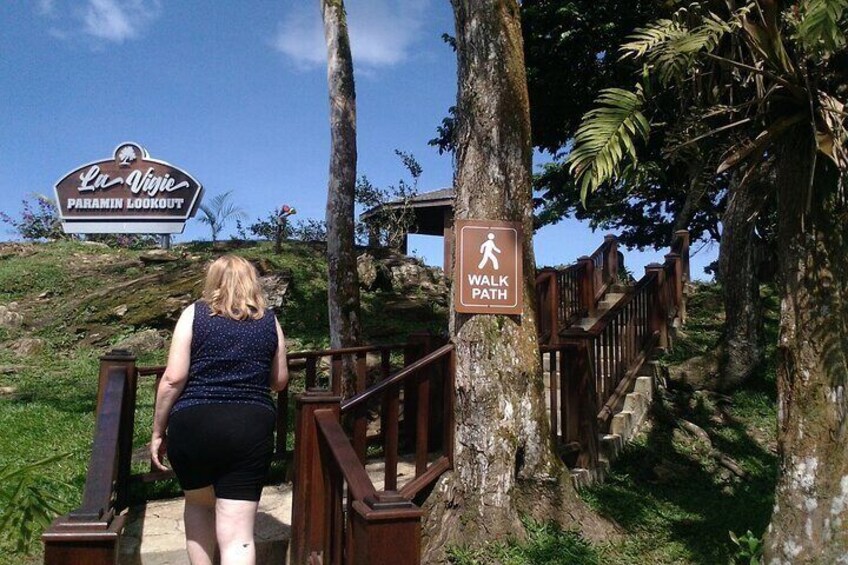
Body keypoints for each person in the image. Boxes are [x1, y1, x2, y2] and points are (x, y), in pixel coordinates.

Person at [151, 255, 288, 565]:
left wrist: (158, 431)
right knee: (238, 536)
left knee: (199, 505)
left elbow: (173, 379)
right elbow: (280, 381)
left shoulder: (194, 314)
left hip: (194, 421)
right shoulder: (269, 320)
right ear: (252, 282)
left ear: (213, 281)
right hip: (249, 425)